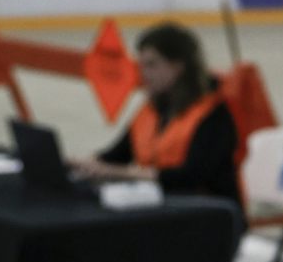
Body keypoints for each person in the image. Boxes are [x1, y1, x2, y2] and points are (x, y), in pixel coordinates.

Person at [75, 22, 238, 208]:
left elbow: (192, 176)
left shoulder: (213, 113)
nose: (144, 74)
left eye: (152, 65)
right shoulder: (150, 111)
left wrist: (117, 173)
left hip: (210, 212)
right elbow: (115, 155)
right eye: (142, 65)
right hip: (162, 207)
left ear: (178, 66)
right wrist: (76, 164)